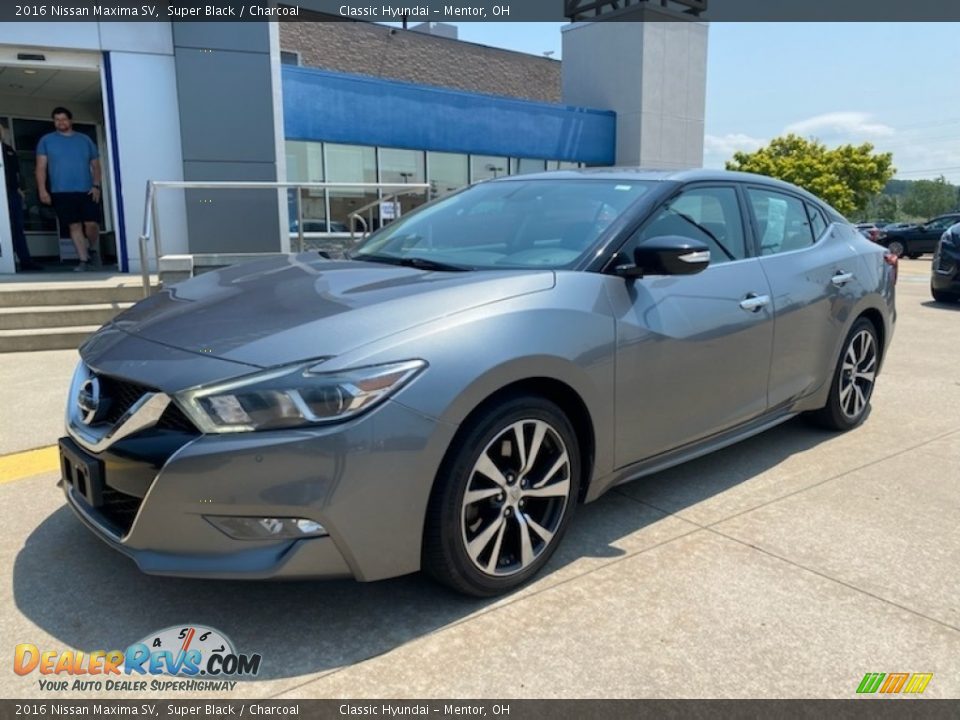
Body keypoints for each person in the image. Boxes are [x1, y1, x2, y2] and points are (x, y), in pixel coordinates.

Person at [35, 106, 102, 271]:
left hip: (87, 189)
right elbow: (40, 167)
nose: (60, 122)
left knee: (91, 224)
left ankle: (92, 249)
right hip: (61, 191)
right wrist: (42, 190)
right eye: (57, 120)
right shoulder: (46, 140)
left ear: (70, 120)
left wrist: (96, 185)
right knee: (74, 225)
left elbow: (96, 165)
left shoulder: (85, 140)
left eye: (63, 119)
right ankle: (83, 260)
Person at [2, 126, 42, 271]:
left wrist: (19, 189)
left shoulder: (8, 150)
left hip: (12, 193)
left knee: (17, 227)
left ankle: (25, 261)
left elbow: (15, 173)